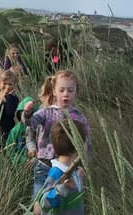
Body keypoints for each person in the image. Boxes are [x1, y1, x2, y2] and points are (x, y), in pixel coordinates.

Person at [25, 69, 91, 199]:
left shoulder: (79, 117)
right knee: (38, 199)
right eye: (61, 90)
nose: (66, 94)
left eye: (70, 90)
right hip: (45, 164)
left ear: (76, 93)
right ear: (54, 91)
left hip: (68, 166)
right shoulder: (46, 112)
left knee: (62, 200)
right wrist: (27, 113)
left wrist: (84, 163)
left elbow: (86, 142)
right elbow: (31, 123)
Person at [4, 96, 34, 165]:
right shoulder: (16, 130)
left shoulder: (39, 128)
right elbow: (10, 149)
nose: (24, 116)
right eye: (22, 113)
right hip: (20, 167)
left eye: (28, 113)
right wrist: (23, 161)